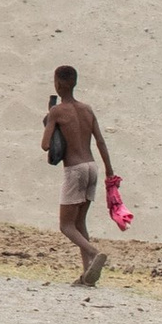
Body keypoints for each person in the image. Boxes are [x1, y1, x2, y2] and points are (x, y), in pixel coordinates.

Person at [42, 66, 116, 288]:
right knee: (80, 222)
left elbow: (46, 145)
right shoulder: (87, 109)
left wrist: (49, 122)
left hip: (74, 169)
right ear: (74, 83)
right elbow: (101, 141)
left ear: (57, 84)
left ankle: (95, 253)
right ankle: (87, 275)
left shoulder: (57, 112)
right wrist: (109, 171)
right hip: (92, 167)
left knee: (66, 226)